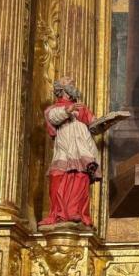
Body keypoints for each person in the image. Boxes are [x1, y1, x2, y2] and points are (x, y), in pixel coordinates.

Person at [39, 76, 101, 227]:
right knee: (58, 177)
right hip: (65, 148)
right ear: (60, 88)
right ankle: (58, 213)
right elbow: (53, 117)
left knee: (81, 177)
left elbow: (94, 123)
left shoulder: (82, 108)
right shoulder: (54, 108)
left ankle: (76, 212)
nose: (72, 81)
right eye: (68, 81)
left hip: (83, 148)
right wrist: (68, 110)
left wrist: (106, 121)